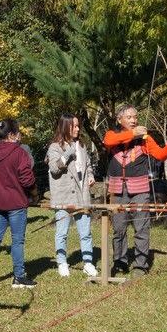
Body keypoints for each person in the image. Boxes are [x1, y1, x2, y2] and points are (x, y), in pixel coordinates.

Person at [104, 104, 167, 276]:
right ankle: (120, 262)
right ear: (119, 120)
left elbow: (160, 155)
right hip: (117, 190)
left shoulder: (145, 138)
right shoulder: (112, 135)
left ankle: (140, 264)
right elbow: (108, 142)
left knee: (141, 227)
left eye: (135, 117)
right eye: (129, 117)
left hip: (139, 189)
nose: (133, 120)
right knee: (118, 229)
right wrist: (133, 133)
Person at [0, 119, 37, 288]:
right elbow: (27, 179)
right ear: (12, 134)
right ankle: (19, 277)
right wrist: (33, 191)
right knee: (17, 240)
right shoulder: (19, 153)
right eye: (18, 132)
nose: (20, 135)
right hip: (16, 204)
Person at [46, 114, 98, 278]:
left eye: (77, 126)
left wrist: (90, 175)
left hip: (82, 196)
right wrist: (68, 152)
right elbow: (55, 168)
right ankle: (62, 262)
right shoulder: (54, 147)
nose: (77, 128)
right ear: (65, 127)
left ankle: (88, 263)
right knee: (62, 232)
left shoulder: (81, 145)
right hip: (63, 196)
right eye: (74, 126)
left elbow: (87, 164)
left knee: (86, 232)